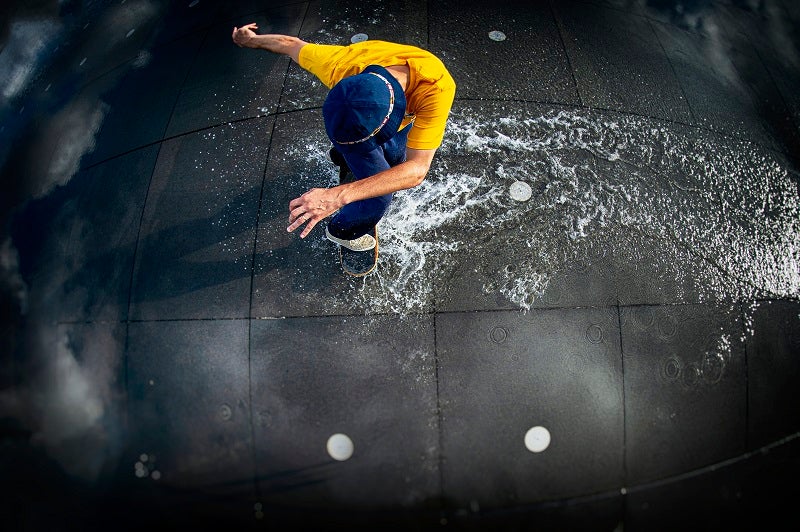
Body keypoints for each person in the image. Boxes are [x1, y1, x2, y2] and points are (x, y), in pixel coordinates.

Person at [232, 23, 456, 252]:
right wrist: (248, 40)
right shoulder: (341, 64)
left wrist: (337, 196)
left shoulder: (434, 90)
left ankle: (345, 158)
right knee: (379, 198)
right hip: (349, 127)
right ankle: (342, 231)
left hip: (365, 127)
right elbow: (292, 46)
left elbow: (417, 169)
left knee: (396, 159)